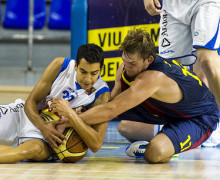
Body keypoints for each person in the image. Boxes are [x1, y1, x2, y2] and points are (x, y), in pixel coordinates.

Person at [55, 28, 219, 164]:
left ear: (148, 60)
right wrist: (82, 113)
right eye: (124, 59)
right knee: (122, 125)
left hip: (199, 117)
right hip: (170, 111)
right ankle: (165, 136)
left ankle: (170, 143)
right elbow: (111, 102)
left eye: (132, 64)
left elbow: (110, 111)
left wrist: (69, 120)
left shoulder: (153, 78)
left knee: (155, 153)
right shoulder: (126, 67)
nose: (127, 67)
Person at [0, 44, 110, 163]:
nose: (88, 79)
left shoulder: (101, 95)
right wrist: (43, 128)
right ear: (76, 66)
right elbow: (30, 102)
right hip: (26, 116)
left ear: (101, 69)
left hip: (48, 139)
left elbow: (96, 144)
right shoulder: (60, 66)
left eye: (94, 73)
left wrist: (69, 113)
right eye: (83, 72)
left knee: (30, 150)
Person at [143, 0, 220, 147]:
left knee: (207, 61)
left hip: (206, 2)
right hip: (172, 5)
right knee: (169, 72)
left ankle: (214, 122)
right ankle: (176, 129)